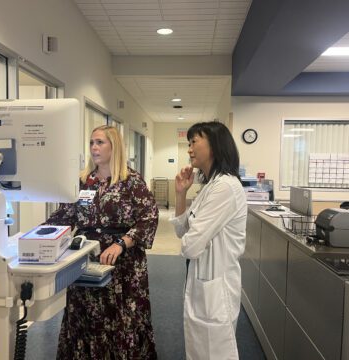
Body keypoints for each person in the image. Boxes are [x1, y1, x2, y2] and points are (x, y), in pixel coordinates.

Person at [45, 125, 159, 360]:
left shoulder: (131, 181)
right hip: (85, 260)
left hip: (123, 264)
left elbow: (148, 218)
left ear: (113, 146)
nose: (94, 148)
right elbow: (64, 216)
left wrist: (121, 243)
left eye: (100, 142)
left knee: (121, 318)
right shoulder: (82, 181)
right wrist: (38, 235)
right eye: (91, 143)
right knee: (86, 316)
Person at [170, 121, 247, 360]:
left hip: (217, 283)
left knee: (215, 352)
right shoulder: (209, 186)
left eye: (194, 142)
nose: (189, 149)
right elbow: (183, 232)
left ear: (213, 146)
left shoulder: (224, 187)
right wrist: (181, 193)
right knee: (201, 349)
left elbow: (190, 246)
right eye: (189, 143)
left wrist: (192, 239)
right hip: (203, 278)